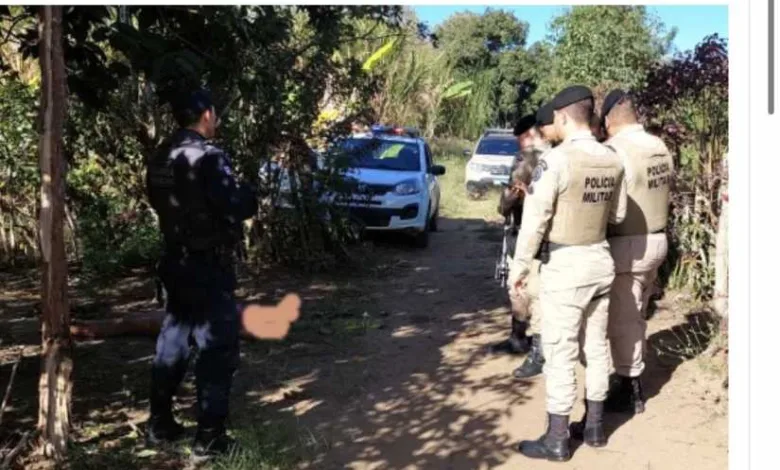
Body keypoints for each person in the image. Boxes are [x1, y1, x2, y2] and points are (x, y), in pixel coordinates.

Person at [509, 85, 627, 461]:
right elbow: (619, 215)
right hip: (600, 260)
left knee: (560, 351)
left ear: (561, 117)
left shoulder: (556, 161)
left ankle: (557, 438)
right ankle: (593, 427)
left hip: (567, 265)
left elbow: (534, 220)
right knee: (595, 347)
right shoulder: (612, 158)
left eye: (553, 121)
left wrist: (520, 266)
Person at [144, 88, 258, 459]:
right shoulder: (208, 158)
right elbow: (235, 205)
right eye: (216, 114)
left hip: (174, 262)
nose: (218, 120)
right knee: (216, 346)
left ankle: (159, 423)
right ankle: (210, 438)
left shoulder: (161, 156)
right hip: (207, 264)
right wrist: (249, 192)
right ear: (206, 115)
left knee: (174, 340)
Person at [598, 89, 674, 415]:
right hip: (657, 240)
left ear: (608, 119)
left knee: (623, 321)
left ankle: (630, 388)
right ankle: (631, 375)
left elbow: (611, 208)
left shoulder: (617, 150)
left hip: (629, 245)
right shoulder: (659, 146)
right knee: (638, 314)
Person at [490, 114, 545, 356]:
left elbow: (507, 201)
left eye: (520, 138)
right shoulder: (558, 155)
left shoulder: (527, 159)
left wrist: (504, 204)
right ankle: (529, 340)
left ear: (528, 135)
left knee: (520, 287)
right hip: (550, 237)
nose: (518, 145)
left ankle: (520, 339)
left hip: (524, 232)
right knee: (540, 290)